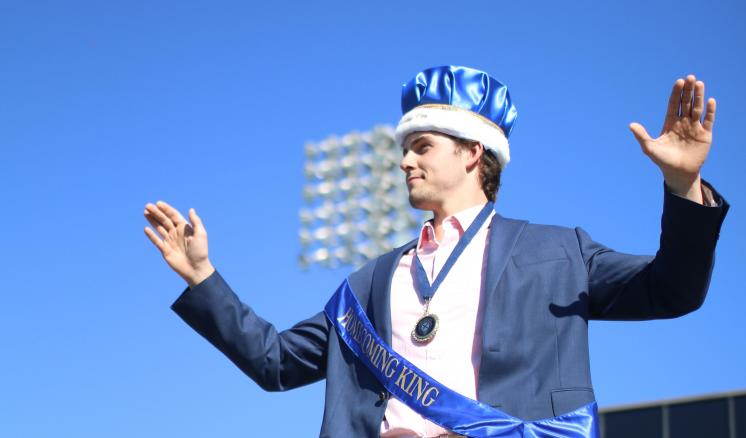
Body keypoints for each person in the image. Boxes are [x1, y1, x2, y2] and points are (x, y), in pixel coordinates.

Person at [143, 66, 729, 437]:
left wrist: (682, 187)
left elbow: (673, 290)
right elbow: (275, 363)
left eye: (422, 145)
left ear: (474, 153)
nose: (404, 161)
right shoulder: (368, 284)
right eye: (405, 149)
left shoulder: (559, 252)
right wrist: (203, 277)